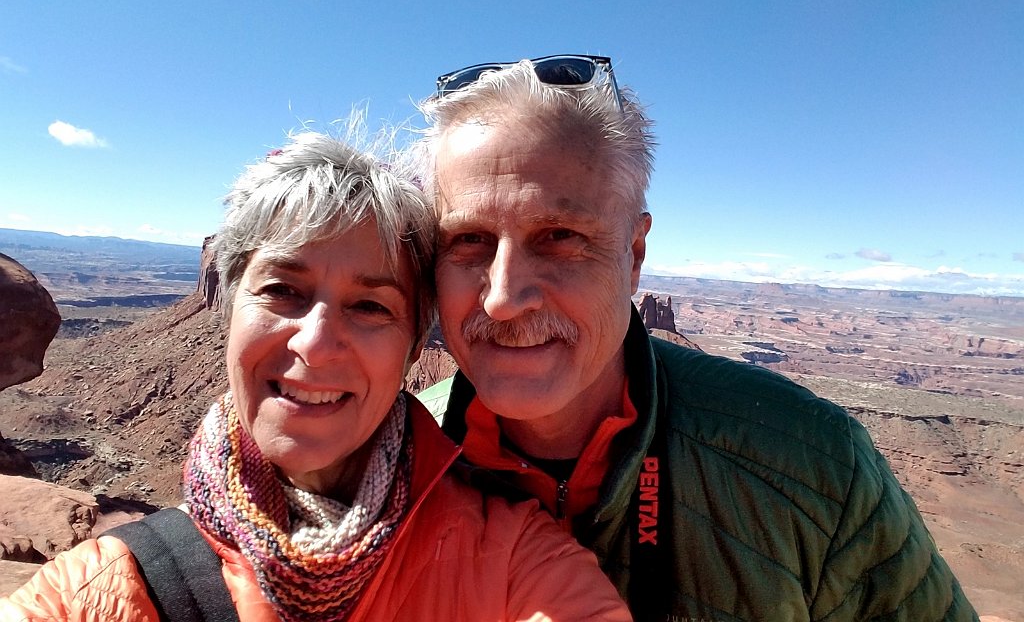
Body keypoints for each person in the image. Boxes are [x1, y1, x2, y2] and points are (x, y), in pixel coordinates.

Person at [417, 55, 979, 622]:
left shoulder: (813, 468)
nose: (503, 297)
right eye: (468, 238)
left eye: (560, 236)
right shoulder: (386, 464)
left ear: (633, 256)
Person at [0, 125, 631, 622]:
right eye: (282, 289)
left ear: (415, 346)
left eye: (369, 305)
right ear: (226, 306)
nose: (318, 342)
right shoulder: (109, 587)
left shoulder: (514, 560)